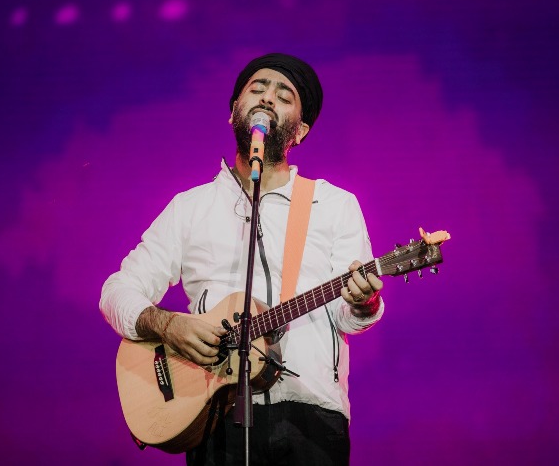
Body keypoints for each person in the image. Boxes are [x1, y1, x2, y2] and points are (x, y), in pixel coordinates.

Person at [100, 53, 385, 465]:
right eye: (257, 89)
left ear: (300, 131)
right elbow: (117, 291)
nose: (268, 98)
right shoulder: (190, 207)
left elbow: (348, 318)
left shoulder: (334, 205)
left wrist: (364, 302)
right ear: (234, 110)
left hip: (312, 417)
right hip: (215, 414)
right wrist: (167, 325)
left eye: (284, 96)